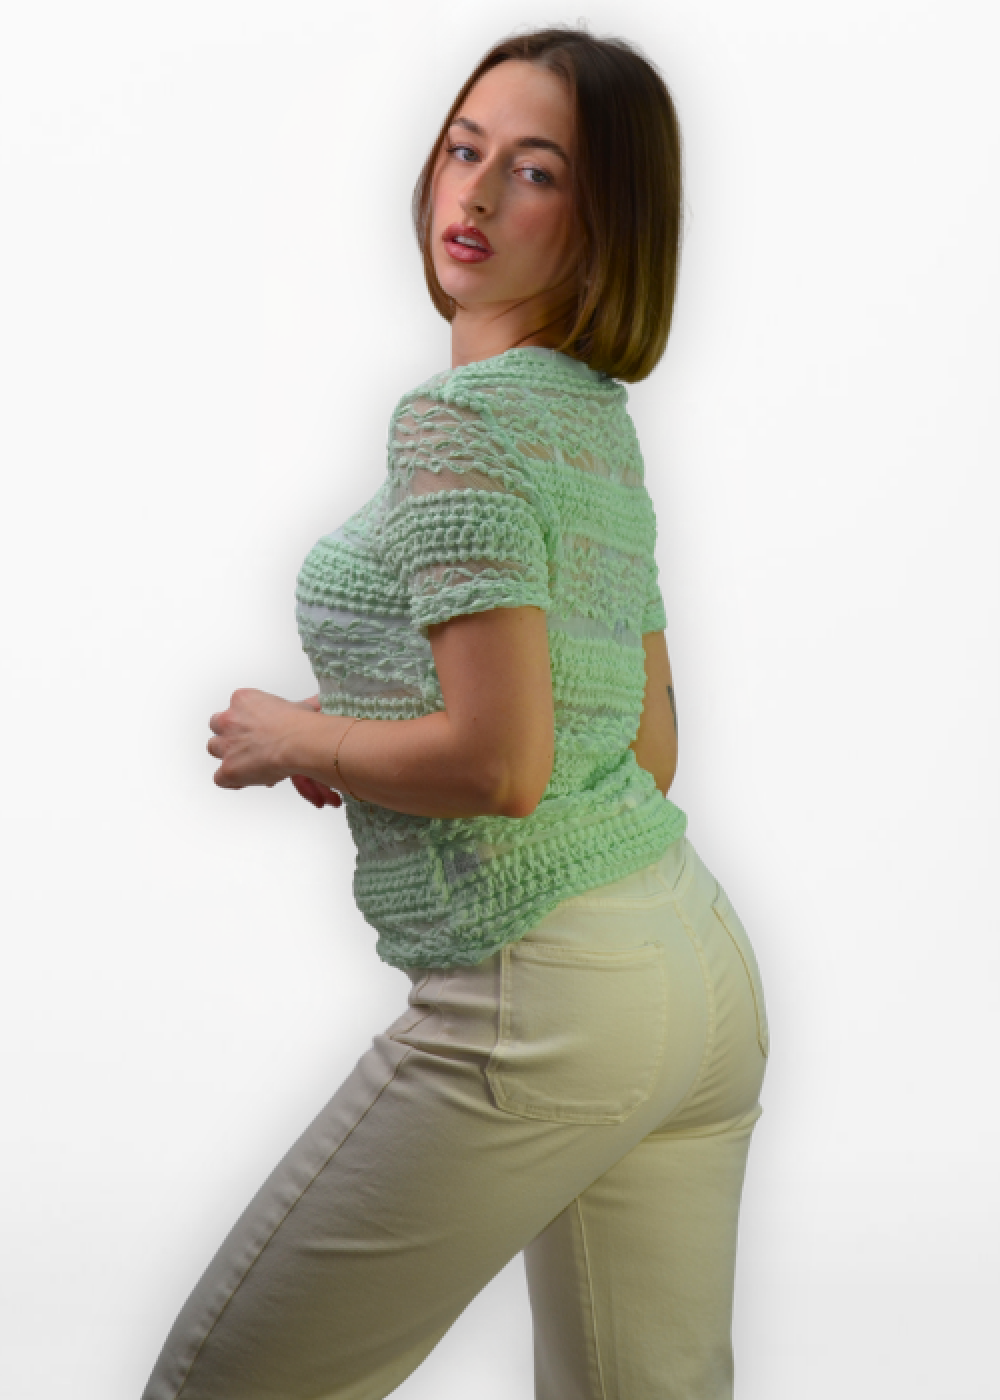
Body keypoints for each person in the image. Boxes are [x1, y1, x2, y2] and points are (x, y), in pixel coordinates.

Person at [140, 25, 770, 1400]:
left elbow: (503, 766)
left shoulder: (461, 423)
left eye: (534, 171)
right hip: (697, 972)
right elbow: (642, 746)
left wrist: (300, 737)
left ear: (606, 222)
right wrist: (374, 732)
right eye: (463, 149)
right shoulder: (592, 423)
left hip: (551, 994)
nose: (473, 194)